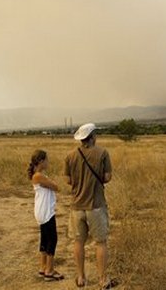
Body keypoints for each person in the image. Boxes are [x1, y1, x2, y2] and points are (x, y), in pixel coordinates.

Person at [64, 123, 118, 289]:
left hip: (76, 206)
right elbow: (107, 177)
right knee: (100, 242)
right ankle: (103, 280)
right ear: (93, 136)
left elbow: (68, 180)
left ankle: (81, 278)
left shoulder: (70, 155)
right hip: (96, 206)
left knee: (78, 242)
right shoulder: (102, 153)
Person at [28, 149, 64, 282]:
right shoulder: (38, 176)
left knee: (44, 239)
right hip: (45, 211)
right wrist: (52, 183)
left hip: (42, 210)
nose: (48, 162)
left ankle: (43, 267)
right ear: (41, 161)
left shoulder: (39, 175)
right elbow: (56, 187)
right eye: (47, 160)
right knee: (52, 239)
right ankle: (49, 270)